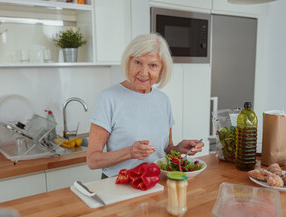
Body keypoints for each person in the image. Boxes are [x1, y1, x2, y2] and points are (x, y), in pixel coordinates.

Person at [86, 33, 204, 178]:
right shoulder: (108, 98)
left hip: (155, 182)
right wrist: (129, 152)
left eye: (153, 65)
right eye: (138, 62)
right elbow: (92, 160)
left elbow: (165, 149)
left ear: (161, 69)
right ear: (128, 62)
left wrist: (178, 149)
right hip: (118, 184)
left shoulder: (163, 100)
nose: (143, 72)